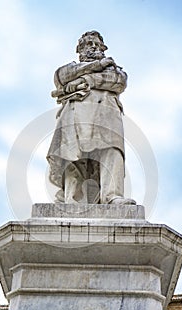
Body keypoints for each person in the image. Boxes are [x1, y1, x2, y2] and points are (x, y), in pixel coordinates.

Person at [47, 30, 135, 205]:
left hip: (106, 112)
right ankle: (73, 200)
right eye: (89, 44)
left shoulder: (114, 69)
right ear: (79, 50)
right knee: (73, 156)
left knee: (112, 151)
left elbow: (118, 82)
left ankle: (112, 196)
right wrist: (97, 66)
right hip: (76, 112)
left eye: (97, 44)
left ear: (103, 47)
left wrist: (85, 81)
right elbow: (62, 77)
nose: (93, 47)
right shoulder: (69, 68)